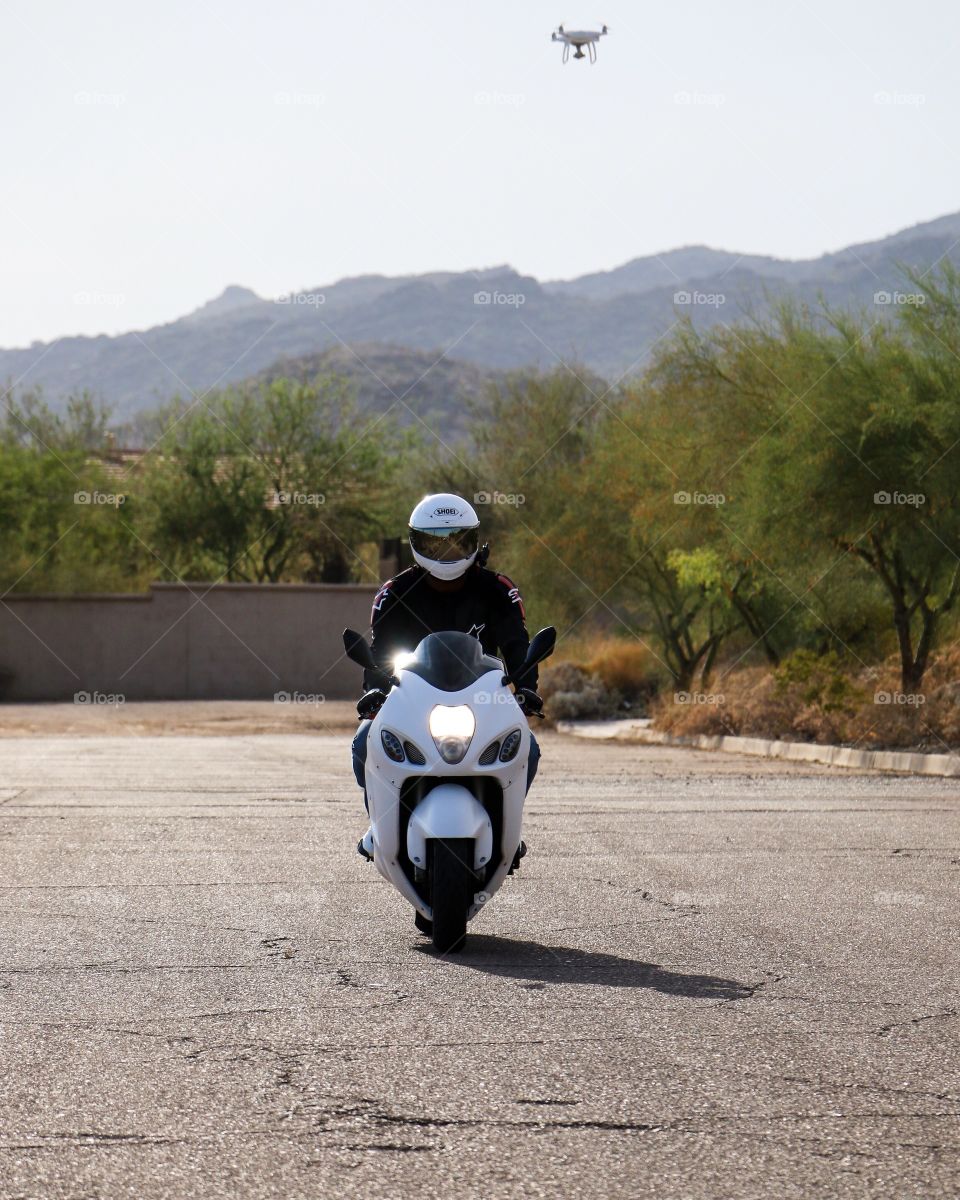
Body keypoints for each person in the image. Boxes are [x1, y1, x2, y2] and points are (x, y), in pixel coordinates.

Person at [353, 492, 542, 860]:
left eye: (455, 540)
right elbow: (378, 655)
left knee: (529, 749)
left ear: (474, 540)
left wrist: (528, 688)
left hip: (484, 700)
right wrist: (374, 693)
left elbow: (518, 646)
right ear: (415, 542)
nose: (445, 552)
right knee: (363, 745)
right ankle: (380, 826)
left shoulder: (498, 590)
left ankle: (506, 828)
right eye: (434, 543)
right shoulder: (395, 594)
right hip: (411, 699)